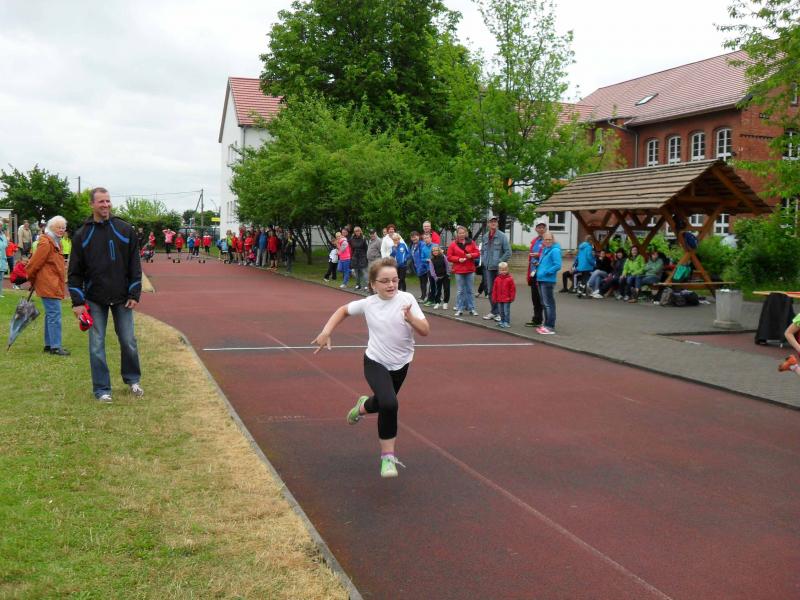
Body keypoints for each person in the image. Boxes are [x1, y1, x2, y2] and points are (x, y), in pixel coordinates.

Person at [311, 257, 430, 478]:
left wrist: (411, 318)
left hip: (401, 364)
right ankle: (388, 458)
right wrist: (326, 331)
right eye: (385, 281)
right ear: (373, 284)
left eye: (395, 280)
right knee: (389, 403)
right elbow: (343, 310)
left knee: (382, 402)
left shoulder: (407, 299)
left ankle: (362, 406)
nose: (391, 285)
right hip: (375, 361)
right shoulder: (368, 304)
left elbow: (425, 331)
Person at [68, 187, 143, 403]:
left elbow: (135, 264)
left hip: (122, 297)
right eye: (101, 201)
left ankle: (133, 380)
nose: (106, 205)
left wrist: (134, 292)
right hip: (94, 298)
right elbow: (74, 272)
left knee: (128, 341)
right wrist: (77, 302)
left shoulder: (124, 229)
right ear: (92, 204)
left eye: (108, 201)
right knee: (96, 345)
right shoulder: (82, 234)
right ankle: (102, 389)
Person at [27, 216, 69, 354]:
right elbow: (34, 264)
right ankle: (55, 346)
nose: (61, 230)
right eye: (59, 227)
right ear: (51, 228)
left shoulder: (56, 242)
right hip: (48, 283)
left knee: (51, 314)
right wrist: (32, 279)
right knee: (54, 314)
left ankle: (49, 344)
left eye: (63, 227)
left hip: (53, 283)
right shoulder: (46, 242)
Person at [480, 216, 512, 322]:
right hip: (488, 268)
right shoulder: (485, 236)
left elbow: (508, 252)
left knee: (500, 291)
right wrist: (484, 261)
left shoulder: (502, 236)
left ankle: (500, 313)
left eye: (495, 221)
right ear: (488, 224)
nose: (493, 223)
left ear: (497, 223)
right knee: (490, 291)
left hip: (499, 269)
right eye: (491, 222)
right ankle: (494, 311)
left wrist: (500, 262)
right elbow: (483, 251)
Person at [447, 225, 479, 317]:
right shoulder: (453, 244)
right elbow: (449, 257)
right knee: (460, 291)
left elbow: (477, 253)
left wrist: (471, 255)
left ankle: (472, 309)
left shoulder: (472, 242)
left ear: (466, 233)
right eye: (460, 233)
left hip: (470, 269)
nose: (461, 234)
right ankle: (459, 308)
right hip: (459, 270)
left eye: (463, 233)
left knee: (470, 290)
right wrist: (458, 259)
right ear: (457, 234)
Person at [536, 232, 561, 335]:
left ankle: (550, 326)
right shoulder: (545, 249)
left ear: (553, 240)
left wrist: (547, 272)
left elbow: (558, 265)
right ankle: (546, 324)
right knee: (544, 304)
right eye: (545, 239)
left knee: (548, 304)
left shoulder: (555, 250)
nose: (547, 241)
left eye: (549, 239)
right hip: (541, 279)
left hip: (548, 280)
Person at [525, 219, 547, 328]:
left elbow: (548, 256)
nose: (541, 229)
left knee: (543, 299)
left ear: (545, 229)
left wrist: (539, 255)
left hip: (543, 274)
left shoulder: (548, 240)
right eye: (539, 227)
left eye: (543, 227)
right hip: (534, 272)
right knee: (535, 298)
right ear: (536, 229)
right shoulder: (535, 241)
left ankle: (547, 322)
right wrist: (529, 274)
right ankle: (537, 319)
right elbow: (530, 258)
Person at [491, 261, 516, 328]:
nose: (503, 271)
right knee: (501, 311)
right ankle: (502, 321)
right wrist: (494, 297)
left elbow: (513, 289)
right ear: (499, 270)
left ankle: (506, 322)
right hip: (499, 299)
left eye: (505, 270)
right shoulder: (497, 279)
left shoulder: (510, 279)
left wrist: (512, 297)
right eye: (502, 270)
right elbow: (494, 289)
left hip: (507, 299)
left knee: (506, 311)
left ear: (507, 270)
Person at [427, 244, 450, 309]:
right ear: (432, 252)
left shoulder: (443, 257)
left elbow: (447, 265)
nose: (435, 252)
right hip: (437, 277)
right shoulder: (431, 260)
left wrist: (448, 274)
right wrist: (435, 277)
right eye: (433, 251)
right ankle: (437, 302)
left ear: (439, 251)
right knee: (438, 290)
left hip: (445, 276)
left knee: (446, 289)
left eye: (436, 250)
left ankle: (445, 303)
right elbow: (432, 270)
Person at [0, 226, 7, 296]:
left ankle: (0, 293)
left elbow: (5, 245)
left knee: (1, 278)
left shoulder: (3, 236)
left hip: (2, 259)